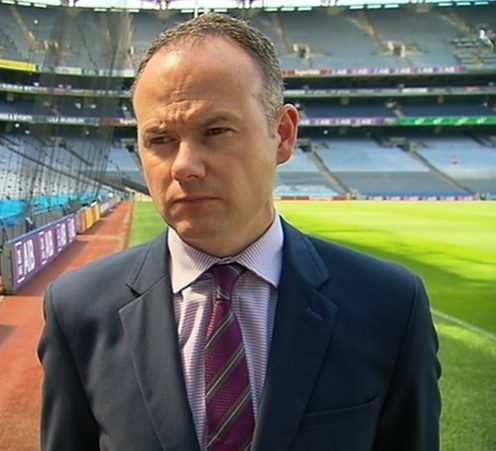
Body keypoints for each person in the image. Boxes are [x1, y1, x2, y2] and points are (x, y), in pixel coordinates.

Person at [37, 13, 440, 451]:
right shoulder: (77, 311)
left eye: (215, 131)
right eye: (159, 140)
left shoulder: (391, 306)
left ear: (282, 134)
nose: (184, 166)